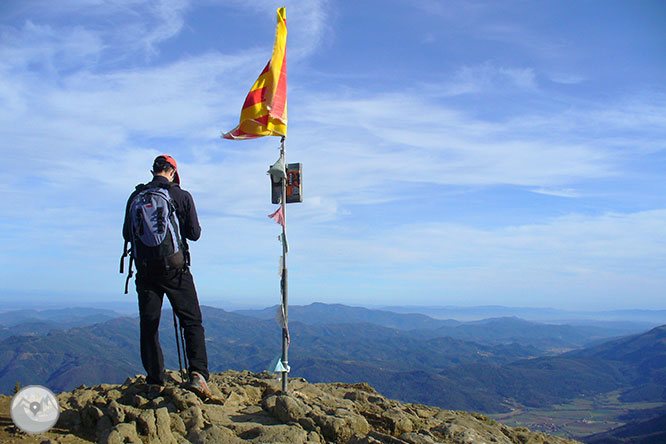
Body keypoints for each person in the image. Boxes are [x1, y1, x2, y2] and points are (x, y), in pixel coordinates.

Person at [123, 154, 211, 397]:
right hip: (175, 269)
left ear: (153, 171)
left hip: (145, 270)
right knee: (191, 321)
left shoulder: (136, 196)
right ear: (172, 171)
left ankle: (154, 380)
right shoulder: (181, 195)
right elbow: (194, 234)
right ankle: (197, 375)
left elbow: (127, 235)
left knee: (149, 325)